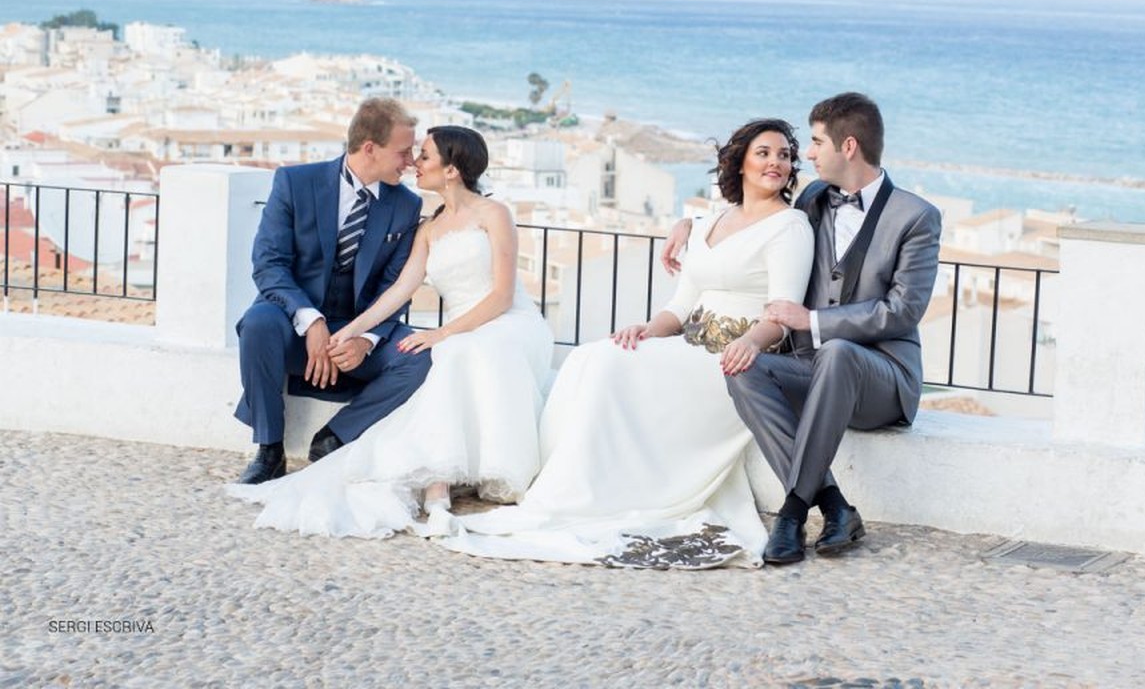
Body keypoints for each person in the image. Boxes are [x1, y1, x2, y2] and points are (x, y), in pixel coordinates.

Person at [434, 119, 814, 569]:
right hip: (691, 344)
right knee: (593, 357)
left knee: (613, 371)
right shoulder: (710, 222)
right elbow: (681, 306)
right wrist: (647, 329)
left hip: (737, 361)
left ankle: (582, 495)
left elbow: (782, 312)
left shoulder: (790, 227)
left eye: (785, 155)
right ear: (741, 161)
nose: (776, 162)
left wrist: (749, 344)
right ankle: (553, 488)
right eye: (764, 153)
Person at [227, 125, 554, 538]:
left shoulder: (495, 214)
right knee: (449, 352)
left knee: (450, 353)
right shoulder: (428, 227)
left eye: (425, 156)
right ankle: (436, 483)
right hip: (461, 329)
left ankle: (445, 479)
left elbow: (502, 296)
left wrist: (441, 334)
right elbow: (400, 289)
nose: (414, 162)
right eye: (412, 154)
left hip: (506, 322)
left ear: (451, 170)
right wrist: (352, 333)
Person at [662, 92, 942, 564]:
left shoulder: (916, 217)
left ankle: (791, 513)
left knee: (837, 352)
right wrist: (687, 224)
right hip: (811, 370)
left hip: (883, 380)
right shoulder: (814, 199)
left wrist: (811, 321)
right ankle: (833, 505)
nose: (806, 155)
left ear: (847, 146)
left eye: (814, 143)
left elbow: (902, 312)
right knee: (744, 368)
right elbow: (752, 211)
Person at [232, 97, 431, 485]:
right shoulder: (295, 182)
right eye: (403, 152)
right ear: (370, 148)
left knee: (417, 358)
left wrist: (366, 339)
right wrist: (311, 321)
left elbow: (395, 288)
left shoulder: (407, 205)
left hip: (359, 327)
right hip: (294, 320)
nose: (410, 162)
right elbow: (269, 264)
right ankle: (269, 449)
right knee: (257, 324)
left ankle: (334, 438)